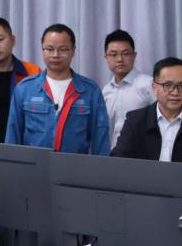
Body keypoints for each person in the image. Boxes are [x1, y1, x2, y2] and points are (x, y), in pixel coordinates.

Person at [111, 57, 182, 217]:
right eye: (168, 85)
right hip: (140, 207)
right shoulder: (135, 121)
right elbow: (119, 167)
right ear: (154, 87)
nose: (175, 92)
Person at [7, 24, 110, 155]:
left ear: (73, 50)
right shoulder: (24, 89)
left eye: (63, 50)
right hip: (34, 165)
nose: (55, 55)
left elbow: (100, 141)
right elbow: (12, 136)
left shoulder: (90, 90)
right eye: (50, 49)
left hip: (75, 166)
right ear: (42, 49)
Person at [102, 30, 154, 148]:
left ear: (134, 56)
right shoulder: (105, 91)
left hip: (141, 154)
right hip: (112, 154)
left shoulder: (149, 85)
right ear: (106, 58)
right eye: (113, 54)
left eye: (125, 54)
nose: (119, 59)